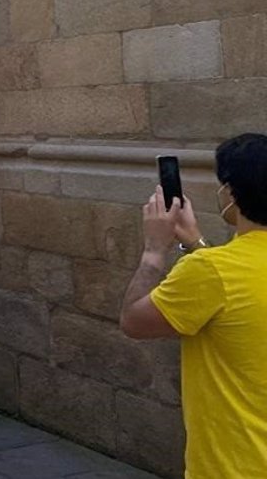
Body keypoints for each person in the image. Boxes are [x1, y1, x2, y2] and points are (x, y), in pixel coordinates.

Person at [119, 134, 267, 478]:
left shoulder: (212, 272)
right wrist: (196, 242)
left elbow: (134, 321)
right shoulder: (214, 270)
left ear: (230, 193)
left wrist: (154, 251)